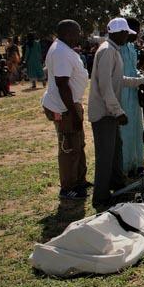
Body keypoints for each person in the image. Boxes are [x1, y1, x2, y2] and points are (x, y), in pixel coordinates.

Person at [88, 18, 144, 209]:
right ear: (117, 33)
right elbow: (105, 86)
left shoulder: (114, 50)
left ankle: (116, 186)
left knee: (115, 152)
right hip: (104, 113)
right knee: (105, 157)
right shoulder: (106, 51)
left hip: (110, 112)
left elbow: (118, 79)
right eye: (125, 33)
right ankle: (101, 198)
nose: (127, 36)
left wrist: (140, 80)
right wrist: (118, 111)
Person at [42, 20, 90, 200]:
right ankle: (68, 187)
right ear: (68, 33)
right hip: (64, 108)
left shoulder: (64, 49)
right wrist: (72, 112)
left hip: (71, 104)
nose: (79, 35)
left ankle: (79, 180)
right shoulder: (61, 52)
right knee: (69, 147)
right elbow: (63, 84)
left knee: (78, 144)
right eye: (77, 32)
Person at [118, 18, 144, 177]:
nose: (138, 34)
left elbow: (133, 70)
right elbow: (118, 77)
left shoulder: (131, 48)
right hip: (121, 95)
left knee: (136, 129)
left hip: (134, 94)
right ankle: (126, 167)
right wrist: (138, 80)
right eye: (136, 31)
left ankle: (138, 164)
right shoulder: (115, 49)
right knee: (125, 132)